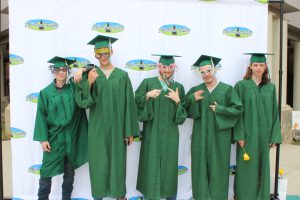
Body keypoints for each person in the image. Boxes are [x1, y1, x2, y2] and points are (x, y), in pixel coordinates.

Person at [74, 35, 140, 199]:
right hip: (97, 127)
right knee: (99, 162)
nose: (103, 57)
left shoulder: (122, 76)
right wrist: (88, 81)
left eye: (106, 53)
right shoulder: (91, 73)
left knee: (118, 161)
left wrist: (129, 131)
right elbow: (83, 103)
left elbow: (129, 105)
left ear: (111, 51)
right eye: (99, 54)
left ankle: (119, 194)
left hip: (118, 127)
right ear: (95, 54)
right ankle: (99, 194)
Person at [185, 55, 243, 200]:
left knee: (219, 168)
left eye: (209, 71)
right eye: (202, 72)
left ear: (215, 70)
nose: (206, 75)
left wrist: (221, 109)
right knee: (200, 167)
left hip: (220, 137)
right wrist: (192, 99)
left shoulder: (227, 89)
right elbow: (183, 109)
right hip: (200, 136)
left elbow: (238, 110)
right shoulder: (196, 90)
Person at [33, 56, 88, 200]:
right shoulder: (45, 93)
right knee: (46, 172)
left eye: (64, 70)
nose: (61, 72)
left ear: (68, 71)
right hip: (53, 138)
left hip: (71, 138)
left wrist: (81, 70)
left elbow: (92, 69)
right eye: (58, 70)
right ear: (53, 71)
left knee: (69, 174)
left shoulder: (73, 88)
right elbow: (41, 116)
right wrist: (43, 138)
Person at [135, 54, 187, 200]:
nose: (167, 70)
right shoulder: (148, 83)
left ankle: (170, 196)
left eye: (170, 67)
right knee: (150, 165)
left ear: (174, 67)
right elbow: (136, 102)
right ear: (159, 67)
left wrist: (178, 101)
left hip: (171, 134)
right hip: (152, 133)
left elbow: (182, 116)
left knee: (169, 169)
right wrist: (146, 96)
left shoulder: (178, 87)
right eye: (164, 67)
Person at [234, 53, 282, 200]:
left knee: (263, 166)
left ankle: (261, 197)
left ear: (265, 67)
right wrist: (240, 135)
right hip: (247, 135)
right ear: (250, 66)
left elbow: (275, 112)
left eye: (261, 65)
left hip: (264, 135)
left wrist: (274, 135)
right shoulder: (241, 86)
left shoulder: (270, 87)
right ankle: (243, 196)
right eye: (255, 65)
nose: (258, 68)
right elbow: (237, 113)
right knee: (246, 168)